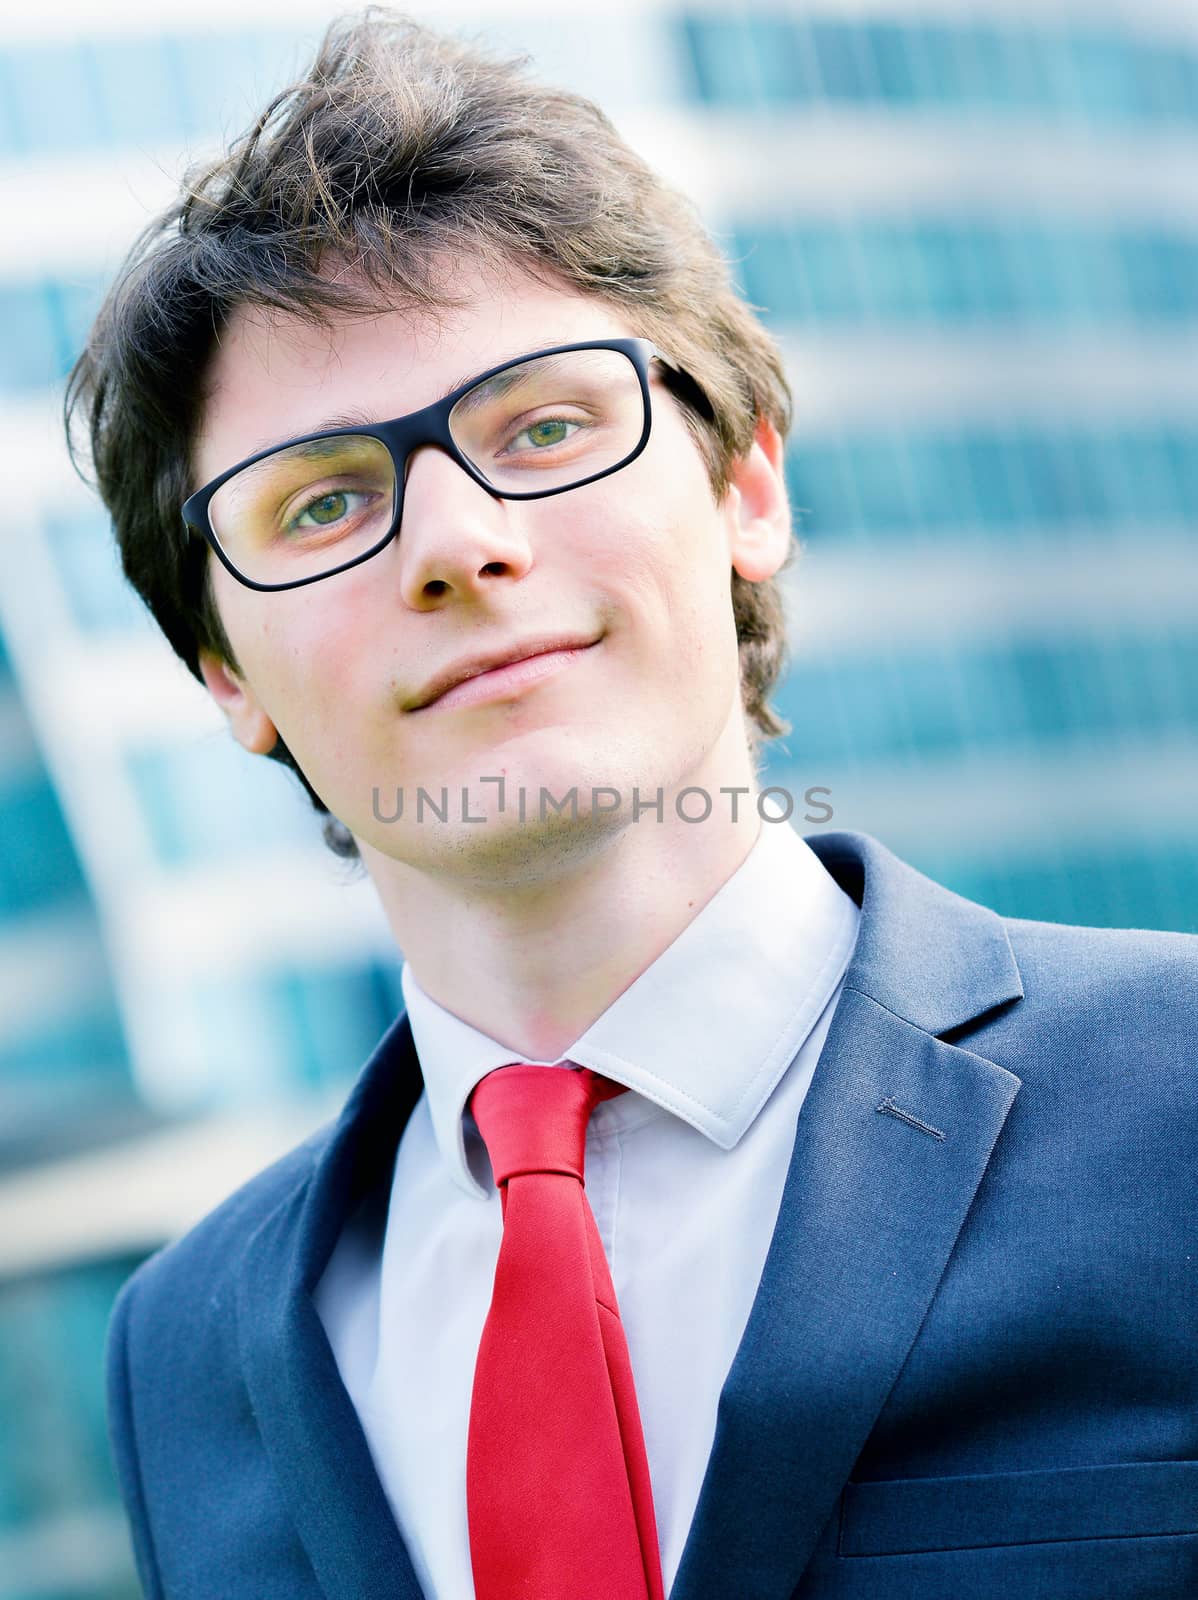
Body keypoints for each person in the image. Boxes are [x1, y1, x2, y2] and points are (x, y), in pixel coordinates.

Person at [67, 11, 1197, 1599]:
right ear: (226, 678)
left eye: (543, 425)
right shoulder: (180, 1346)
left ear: (744, 488)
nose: (453, 543)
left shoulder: (1180, 1096)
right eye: (321, 502)